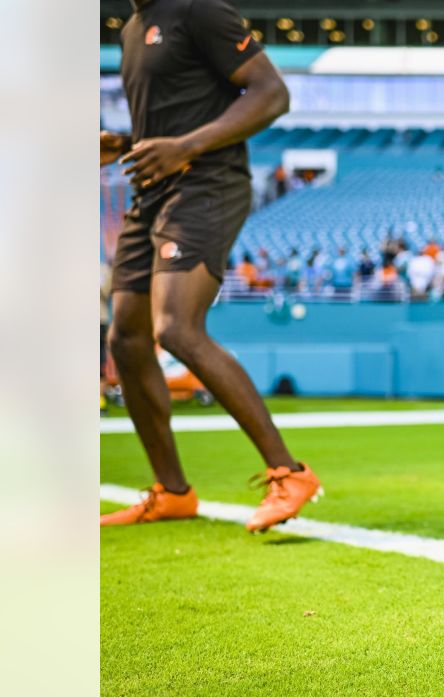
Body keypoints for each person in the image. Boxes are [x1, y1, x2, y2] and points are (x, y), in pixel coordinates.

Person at [98, 0, 321, 531]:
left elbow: (273, 93)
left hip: (207, 182)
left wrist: (186, 147)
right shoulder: (131, 28)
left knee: (174, 327)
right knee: (125, 338)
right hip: (153, 189)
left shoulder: (197, 10)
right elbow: (180, 114)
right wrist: (129, 144)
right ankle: (172, 492)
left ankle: (289, 471)